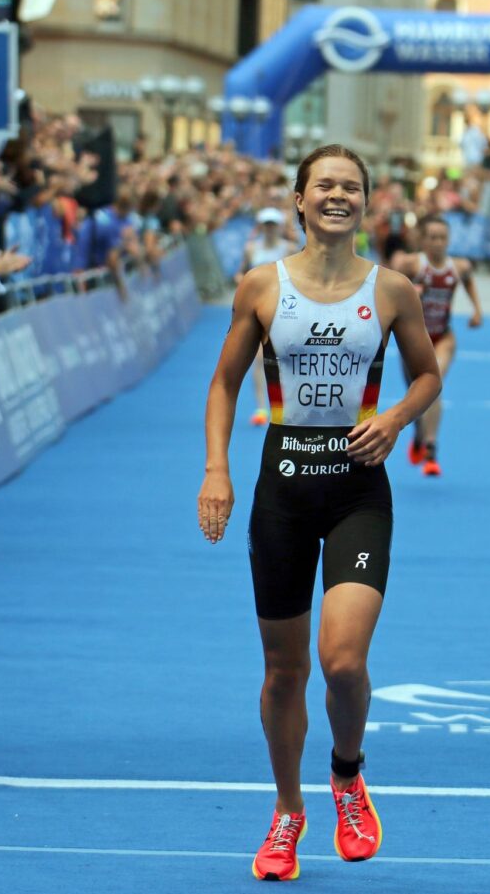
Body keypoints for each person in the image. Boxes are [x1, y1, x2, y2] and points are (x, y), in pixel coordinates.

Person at [197, 145, 440, 882]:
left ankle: (347, 773)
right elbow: (223, 383)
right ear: (299, 200)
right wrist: (217, 470)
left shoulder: (392, 289)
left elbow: (427, 374)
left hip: (357, 487)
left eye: (352, 187)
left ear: (367, 204)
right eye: (324, 185)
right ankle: (286, 810)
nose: (338, 195)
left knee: (343, 661)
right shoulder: (261, 287)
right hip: (282, 489)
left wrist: (395, 418)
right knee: (283, 671)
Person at [391, 214, 483, 476]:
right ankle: (420, 435)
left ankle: (431, 448)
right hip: (414, 340)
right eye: (432, 237)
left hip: (443, 337)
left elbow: (469, 282)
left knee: (433, 384)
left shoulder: (460, 267)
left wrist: (477, 310)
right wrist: (410, 290)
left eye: (443, 237)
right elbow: (390, 289)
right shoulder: (411, 264)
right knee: (416, 392)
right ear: (422, 239)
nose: (438, 243)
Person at [236, 207, 297, 427]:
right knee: (260, 360)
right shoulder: (251, 249)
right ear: (261, 227)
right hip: (256, 310)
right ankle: (262, 408)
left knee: (287, 359)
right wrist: (242, 282)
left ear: (279, 226)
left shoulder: (289, 249)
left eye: (274, 224)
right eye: (267, 224)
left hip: (285, 310)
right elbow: (240, 272)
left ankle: (286, 405)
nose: (270, 229)